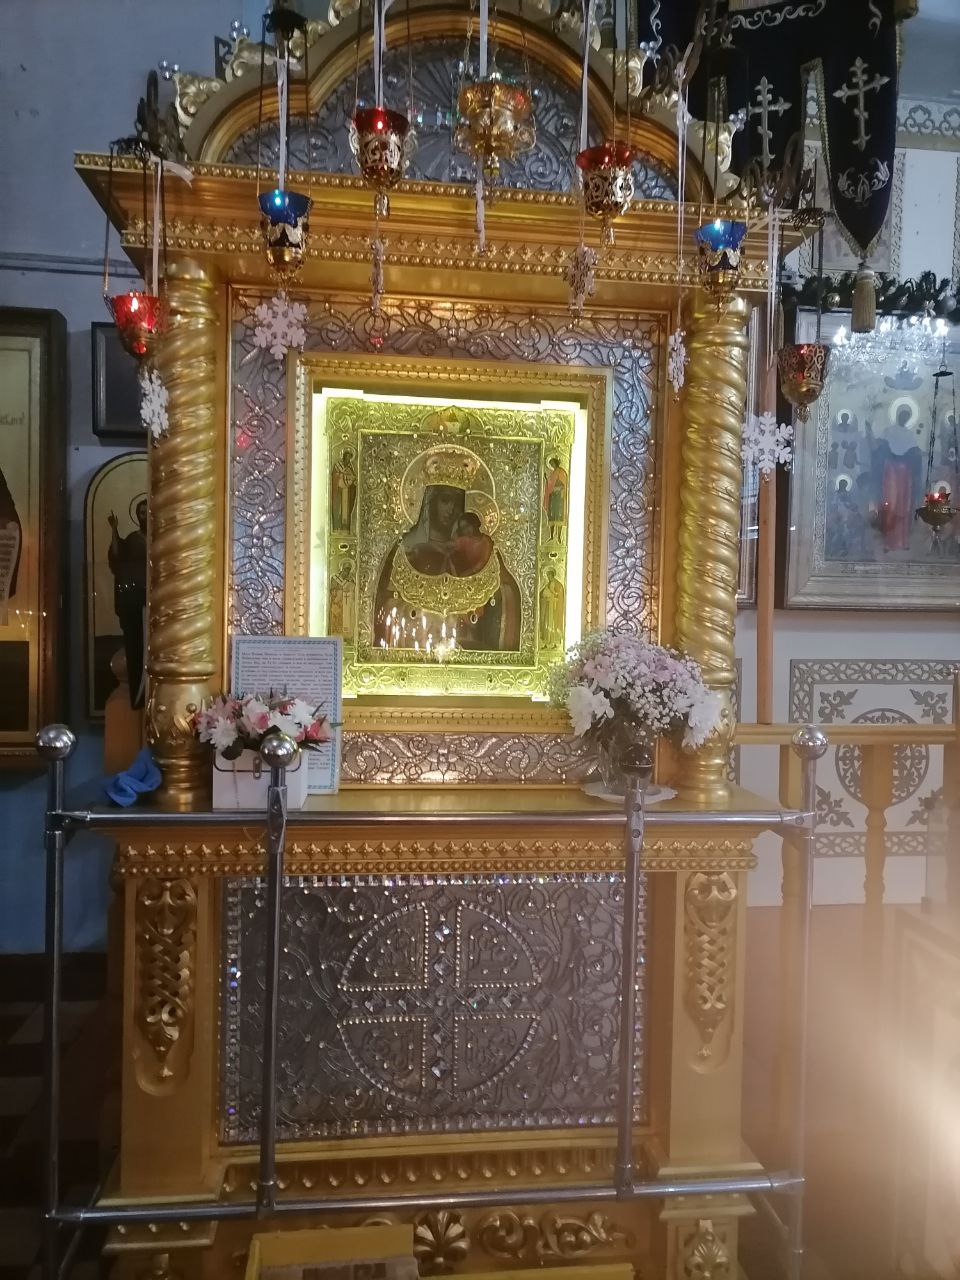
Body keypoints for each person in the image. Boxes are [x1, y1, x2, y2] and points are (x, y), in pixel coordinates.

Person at [374, 483, 520, 651]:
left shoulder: (471, 552)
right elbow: (388, 604)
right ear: (431, 503)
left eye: (456, 504)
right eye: (445, 500)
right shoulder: (409, 551)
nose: (451, 509)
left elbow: (501, 598)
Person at [108, 498, 147, 708]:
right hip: (134, 603)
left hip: (156, 602)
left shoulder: (162, 537)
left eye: (147, 512)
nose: (144, 516)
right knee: (136, 650)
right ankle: (139, 697)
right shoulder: (132, 539)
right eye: (141, 512)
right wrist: (114, 530)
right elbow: (117, 557)